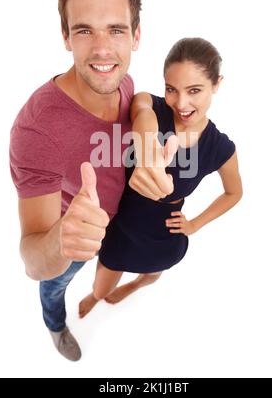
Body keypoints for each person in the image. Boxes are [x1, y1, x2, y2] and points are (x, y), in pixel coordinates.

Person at [9, 0, 175, 362]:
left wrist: (145, 119)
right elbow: (33, 260)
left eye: (115, 30)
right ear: (66, 37)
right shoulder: (36, 131)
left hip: (118, 224)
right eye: (84, 30)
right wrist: (63, 238)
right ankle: (55, 324)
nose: (102, 49)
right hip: (72, 244)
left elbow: (136, 99)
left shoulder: (124, 80)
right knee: (52, 287)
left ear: (136, 36)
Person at [78, 37, 243, 317]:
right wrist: (147, 152)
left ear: (217, 84)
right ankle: (96, 297)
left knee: (152, 274)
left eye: (195, 90)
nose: (181, 103)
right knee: (101, 287)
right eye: (171, 89)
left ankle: (136, 285)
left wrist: (194, 225)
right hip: (124, 221)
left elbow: (234, 193)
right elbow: (143, 115)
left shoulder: (221, 147)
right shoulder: (147, 104)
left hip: (164, 232)